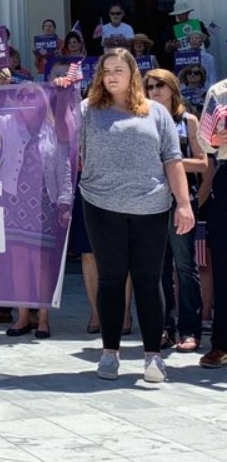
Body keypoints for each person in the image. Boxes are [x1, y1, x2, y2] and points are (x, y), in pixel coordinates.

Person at [67, 48, 193, 382]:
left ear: (132, 73)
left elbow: (172, 159)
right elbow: (55, 130)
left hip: (151, 208)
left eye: (119, 69)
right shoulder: (87, 110)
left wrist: (183, 203)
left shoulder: (156, 113)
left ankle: (153, 356)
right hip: (101, 205)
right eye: (106, 70)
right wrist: (61, 92)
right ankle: (110, 353)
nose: (111, 76)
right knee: (110, 280)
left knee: (148, 281)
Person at [0, 84, 72, 339]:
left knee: (42, 263)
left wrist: (65, 200)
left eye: (31, 94)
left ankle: (43, 318)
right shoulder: (9, 124)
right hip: (14, 201)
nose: (25, 98)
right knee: (19, 262)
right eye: (21, 95)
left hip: (44, 203)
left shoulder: (53, 129)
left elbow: (63, 166)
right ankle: (23, 317)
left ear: (42, 100)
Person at [143, 69, 207, 352]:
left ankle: (190, 330)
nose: (154, 90)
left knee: (184, 265)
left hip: (181, 199)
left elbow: (204, 164)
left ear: (171, 88)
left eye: (159, 85)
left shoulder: (187, 120)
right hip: (150, 200)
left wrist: (172, 162)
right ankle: (164, 329)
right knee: (157, 269)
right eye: (149, 86)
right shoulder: (142, 118)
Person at [197, 78, 227, 368]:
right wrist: (218, 136)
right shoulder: (219, 92)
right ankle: (221, 343)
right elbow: (205, 141)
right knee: (223, 265)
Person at [160, 2, 211, 69]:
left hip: (199, 59)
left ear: (188, 13)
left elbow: (207, 45)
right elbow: (166, 50)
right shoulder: (171, 28)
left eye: (182, 13)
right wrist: (171, 46)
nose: (180, 16)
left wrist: (205, 39)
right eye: (178, 14)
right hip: (181, 61)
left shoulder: (198, 24)